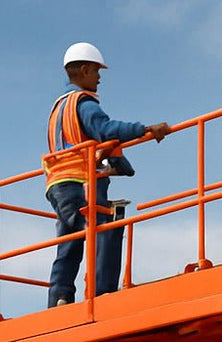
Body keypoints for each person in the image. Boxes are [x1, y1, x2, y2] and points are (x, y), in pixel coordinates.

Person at [44, 42, 171, 307]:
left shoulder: (59, 107)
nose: (99, 78)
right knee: (103, 229)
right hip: (80, 182)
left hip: (58, 183)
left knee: (70, 239)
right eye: (96, 71)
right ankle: (103, 294)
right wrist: (146, 129)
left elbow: (91, 142)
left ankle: (60, 296)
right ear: (83, 70)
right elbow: (106, 129)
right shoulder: (84, 102)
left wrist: (118, 162)